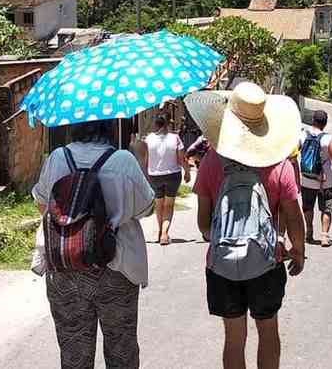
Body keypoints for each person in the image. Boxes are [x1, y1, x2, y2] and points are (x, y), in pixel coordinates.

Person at [187, 84, 306, 369]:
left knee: (234, 337)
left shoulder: (211, 162)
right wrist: (298, 249)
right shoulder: (279, 165)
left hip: (222, 265)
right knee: (268, 331)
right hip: (267, 262)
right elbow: (293, 215)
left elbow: (203, 224)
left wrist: (224, 238)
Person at [31, 120, 155, 369]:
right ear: (108, 126)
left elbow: (42, 205)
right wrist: (140, 163)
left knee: (74, 354)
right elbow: (147, 208)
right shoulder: (123, 160)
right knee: (122, 352)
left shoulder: (58, 157)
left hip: (66, 266)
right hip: (116, 268)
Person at [142, 115, 190, 245]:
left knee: (159, 204)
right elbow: (181, 159)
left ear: (156, 125)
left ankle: (160, 231)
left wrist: (145, 175)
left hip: (154, 175)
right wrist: (187, 171)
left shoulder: (148, 139)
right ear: (167, 125)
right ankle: (164, 233)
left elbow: (146, 160)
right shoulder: (175, 138)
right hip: (172, 175)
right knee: (168, 205)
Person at [299, 110, 332, 247]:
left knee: (307, 207)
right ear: (325, 123)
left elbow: (293, 153)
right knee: (326, 208)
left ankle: (309, 231)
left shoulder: (303, 135)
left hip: (306, 179)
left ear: (313, 121)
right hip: (326, 181)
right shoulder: (328, 139)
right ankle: (324, 236)